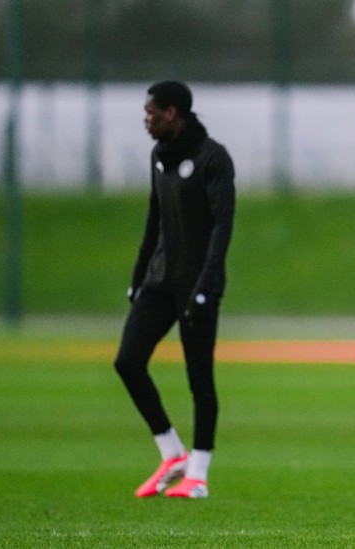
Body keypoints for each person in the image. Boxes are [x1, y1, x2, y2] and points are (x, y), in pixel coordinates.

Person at [114, 80, 235, 499]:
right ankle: (171, 452)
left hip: (197, 284)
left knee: (198, 376)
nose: (146, 119)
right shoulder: (158, 156)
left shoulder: (213, 157)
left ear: (172, 114)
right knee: (128, 362)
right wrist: (138, 274)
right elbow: (156, 217)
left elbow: (223, 225)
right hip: (159, 280)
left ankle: (197, 474)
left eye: (151, 112)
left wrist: (207, 282)